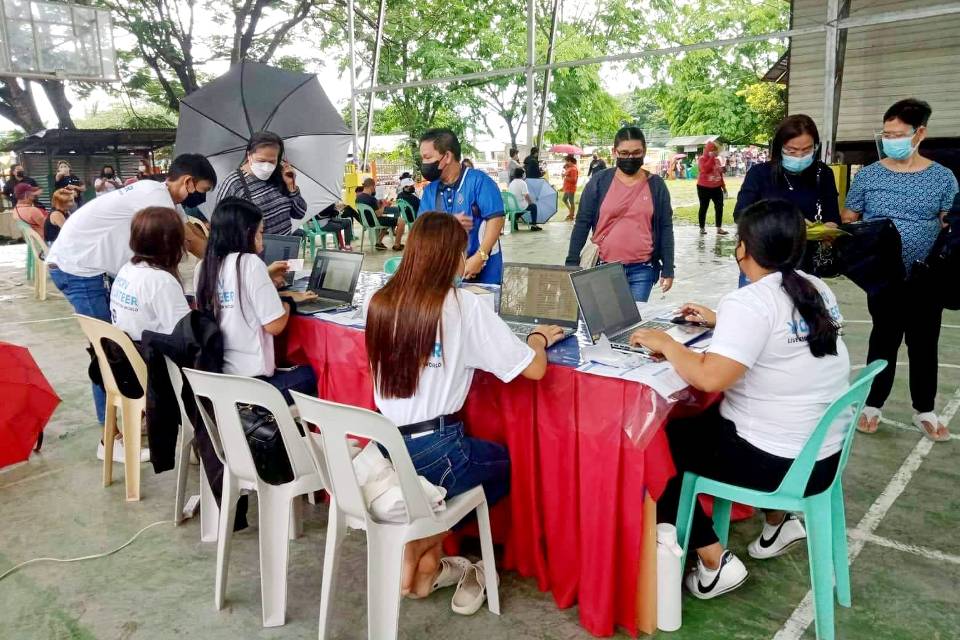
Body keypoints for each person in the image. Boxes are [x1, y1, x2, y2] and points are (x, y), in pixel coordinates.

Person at [631, 199, 849, 599]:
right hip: (823, 456)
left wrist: (665, 342)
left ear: (744, 248)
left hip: (777, 463)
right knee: (695, 431)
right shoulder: (814, 286)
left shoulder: (749, 301)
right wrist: (722, 322)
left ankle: (714, 563)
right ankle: (779, 523)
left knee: (658, 450)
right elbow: (782, 332)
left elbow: (710, 378)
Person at [365, 212, 565, 600]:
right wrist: (538, 337)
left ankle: (427, 567)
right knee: (504, 467)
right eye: (463, 251)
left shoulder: (380, 302)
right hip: (437, 451)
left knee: (459, 471)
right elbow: (535, 370)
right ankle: (417, 546)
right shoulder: (463, 307)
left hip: (385, 447)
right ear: (450, 258)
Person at [47, 153, 215, 430]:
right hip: (79, 268)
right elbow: (187, 239)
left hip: (86, 264)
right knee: (107, 351)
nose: (202, 198)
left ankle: (135, 415)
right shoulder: (156, 198)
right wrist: (228, 265)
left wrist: (221, 259)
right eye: (203, 190)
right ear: (188, 182)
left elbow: (192, 236)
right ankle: (112, 430)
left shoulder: (160, 195)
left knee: (118, 341)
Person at [841, 98, 958, 441]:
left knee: (924, 343)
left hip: (926, 277)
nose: (891, 139)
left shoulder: (942, 178)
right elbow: (850, 218)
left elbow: (949, 223)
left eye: (898, 133)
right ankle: (872, 404)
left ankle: (925, 409)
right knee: (883, 339)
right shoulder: (870, 175)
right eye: (887, 133)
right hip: (883, 277)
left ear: (919, 133)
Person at [194, 197, 317, 400]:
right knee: (314, 373)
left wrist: (267, 282)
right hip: (255, 385)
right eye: (260, 232)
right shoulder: (249, 263)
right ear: (247, 233)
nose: (262, 237)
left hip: (219, 380)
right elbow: (275, 326)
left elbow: (234, 291)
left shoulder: (204, 267)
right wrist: (289, 302)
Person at [565, 126, 675, 301]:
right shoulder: (599, 182)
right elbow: (582, 223)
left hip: (642, 270)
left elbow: (665, 227)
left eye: (636, 152)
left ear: (644, 151)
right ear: (614, 152)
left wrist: (668, 267)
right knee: (606, 322)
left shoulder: (656, 185)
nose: (630, 158)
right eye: (624, 153)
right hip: (604, 269)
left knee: (633, 326)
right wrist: (571, 262)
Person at [733, 115, 842, 287]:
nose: (799, 156)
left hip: (805, 264)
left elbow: (833, 217)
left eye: (806, 150)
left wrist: (829, 229)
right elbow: (741, 214)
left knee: (801, 312)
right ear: (779, 148)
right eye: (791, 150)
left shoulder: (823, 174)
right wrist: (790, 225)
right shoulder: (759, 174)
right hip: (763, 260)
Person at [419, 128, 506, 284]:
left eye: (427, 157)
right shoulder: (430, 191)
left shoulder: (479, 181)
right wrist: (449, 223)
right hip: (444, 271)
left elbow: (496, 219)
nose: (424, 163)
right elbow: (422, 229)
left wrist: (480, 257)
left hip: (484, 269)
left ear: (446, 156)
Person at [110, 207, 191, 341]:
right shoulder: (161, 281)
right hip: (155, 357)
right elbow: (186, 336)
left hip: (128, 354)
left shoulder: (127, 268)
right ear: (171, 242)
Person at [215, 131, 307, 236]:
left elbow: (299, 213)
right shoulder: (233, 184)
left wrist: (291, 186)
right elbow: (222, 229)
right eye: (261, 160)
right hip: (253, 250)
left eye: (272, 161)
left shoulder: (281, 175)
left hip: (284, 246)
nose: (266, 166)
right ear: (249, 155)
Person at [356, 177, 405, 250]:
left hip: (365, 221)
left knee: (388, 218)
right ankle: (397, 245)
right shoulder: (371, 198)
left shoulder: (358, 198)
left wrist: (379, 203)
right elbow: (378, 214)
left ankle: (379, 243)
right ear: (372, 186)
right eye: (374, 186)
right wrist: (385, 206)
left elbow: (372, 209)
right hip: (375, 221)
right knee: (401, 221)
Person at [696, 141, 727, 235]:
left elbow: (719, 174)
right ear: (710, 150)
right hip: (703, 187)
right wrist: (712, 158)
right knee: (703, 207)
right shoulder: (702, 159)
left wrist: (724, 187)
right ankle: (702, 228)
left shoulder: (717, 160)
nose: (717, 152)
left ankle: (719, 228)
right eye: (716, 151)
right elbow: (705, 169)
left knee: (719, 207)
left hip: (717, 188)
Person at [562, 154, 578, 221]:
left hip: (571, 188)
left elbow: (574, 180)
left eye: (566, 161)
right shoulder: (570, 168)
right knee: (564, 199)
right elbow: (567, 174)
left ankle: (572, 215)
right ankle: (570, 212)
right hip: (567, 188)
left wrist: (566, 177)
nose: (565, 163)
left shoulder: (574, 169)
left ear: (570, 161)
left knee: (571, 202)